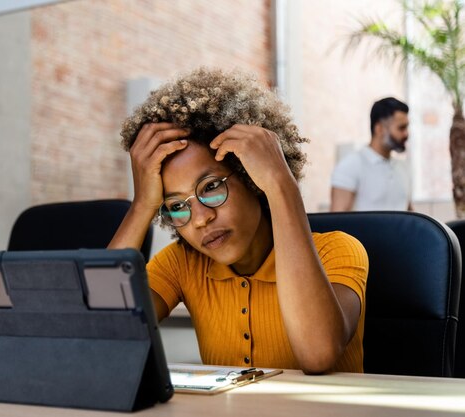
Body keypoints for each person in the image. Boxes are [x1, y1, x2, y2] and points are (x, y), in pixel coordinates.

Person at [109, 67, 368, 374]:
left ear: (252, 179)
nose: (201, 219)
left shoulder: (339, 250)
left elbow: (317, 354)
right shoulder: (182, 265)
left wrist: (281, 184)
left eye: (211, 187)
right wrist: (142, 205)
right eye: (177, 205)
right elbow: (104, 334)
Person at [330, 97, 411, 211]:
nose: (406, 134)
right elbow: (336, 221)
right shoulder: (350, 166)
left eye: (407, 127)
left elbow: (409, 215)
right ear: (379, 128)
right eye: (401, 128)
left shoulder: (403, 168)